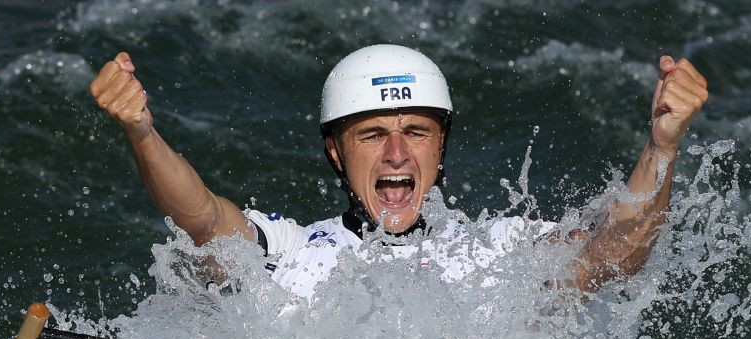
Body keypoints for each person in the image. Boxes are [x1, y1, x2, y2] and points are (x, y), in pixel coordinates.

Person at [89, 45, 708, 299]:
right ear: (336, 152)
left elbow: (611, 257)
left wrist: (662, 145)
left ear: (439, 150)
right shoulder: (290, 250)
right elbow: (200, 217)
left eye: (415, 133)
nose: (395, 154)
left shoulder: (500, 251)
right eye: (371, 136)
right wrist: (141, 131)